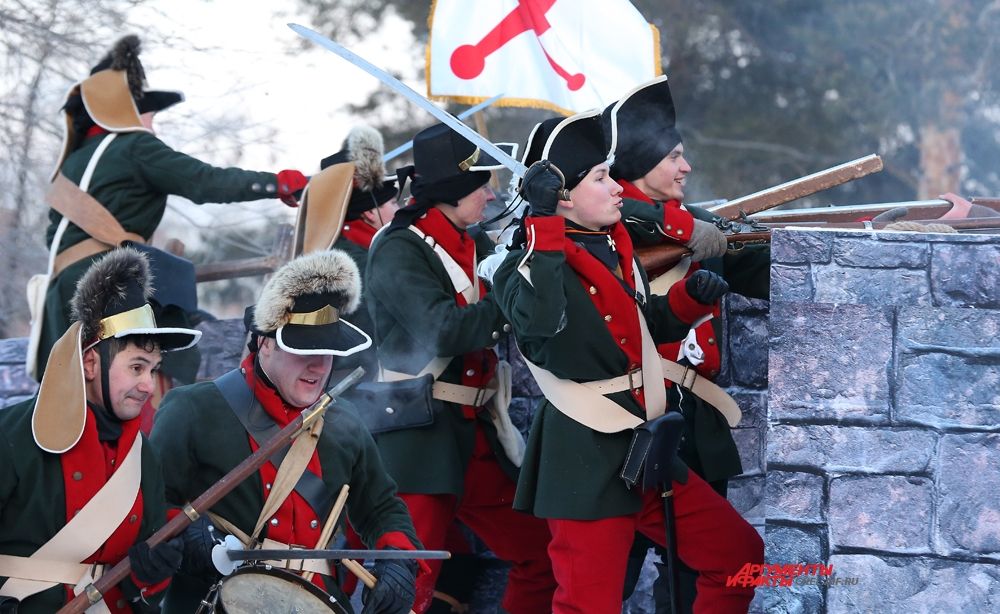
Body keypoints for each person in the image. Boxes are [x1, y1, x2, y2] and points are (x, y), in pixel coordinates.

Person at [491, 109, 764, 613]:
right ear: (564, 195)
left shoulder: (611, 245)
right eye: (601, 178)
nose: (617, 187)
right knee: (588, 606)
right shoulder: (524, 266)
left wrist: (687, 301)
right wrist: (543, 224)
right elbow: (543, 328)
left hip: (643, 448)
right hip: (584, 456)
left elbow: (633, 331)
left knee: (737, 555)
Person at [150, 250, 423, 614]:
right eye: (305, 349)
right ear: (265, 344)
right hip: (215, 599)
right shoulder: (192, 409)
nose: (319, 365)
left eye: (329, 351)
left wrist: (398, 560)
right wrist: (186, 536)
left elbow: (381, 507)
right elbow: (150, 503)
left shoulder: (344, 420)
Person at [32, 34, 308, 380]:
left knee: (72, 392)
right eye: (147, 113)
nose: (152, 124)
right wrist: (276, 184)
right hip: (107, 286)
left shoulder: (71, 164)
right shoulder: (136, 146)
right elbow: (205, 181)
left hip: (60, 293)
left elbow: (52, 237)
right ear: (125, 111)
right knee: (151, 376)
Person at [363, 123, 557, 613]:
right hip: (419, 439)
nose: (491, 194)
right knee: (405, 586)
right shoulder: (399, 246)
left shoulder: (473, 243)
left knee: (543, 556)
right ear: (451, 189)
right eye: (480, 184)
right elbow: (444, 330)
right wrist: (508, 291)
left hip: (475, 435)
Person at [603, 76, 771, 612]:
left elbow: (772, 272)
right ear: (640, 162)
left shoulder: (698, 229)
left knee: (694, 577)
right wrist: (680, 225)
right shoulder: (607, 225)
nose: (685, 167)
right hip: (626, 422)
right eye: (674, 156)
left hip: (695, 422)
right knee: (607, 578)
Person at [0, 247, 201, 613]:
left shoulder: (144, 456)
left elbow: (146, 589)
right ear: (91, 362)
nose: (148, 385)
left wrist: (152, 575)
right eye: (137, 367)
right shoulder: (11, 435)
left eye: (153, 370)